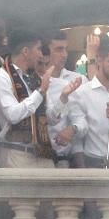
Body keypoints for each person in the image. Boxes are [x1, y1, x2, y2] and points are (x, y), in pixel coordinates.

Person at [0, 29, 55, 168]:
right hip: (17, 154)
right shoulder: (2, 78)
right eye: (38, 49)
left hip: (42, 153)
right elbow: (13, 115)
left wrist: (64, 97)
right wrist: (41, 91)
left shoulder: (33, 78)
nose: (41, 55)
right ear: (25, 51)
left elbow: (51, 118)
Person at [67, 37, 109, 168]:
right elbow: (78, 139)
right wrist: (82, 169)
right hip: (93, 161)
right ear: (99, 60)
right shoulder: (82, 93)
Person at [44, 32, 86, 167]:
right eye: (59, 49)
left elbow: (82, 121)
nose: (65, 54)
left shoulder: (77, 80)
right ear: (44, 52)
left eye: (65, 49)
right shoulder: (30, 80)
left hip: (64, 159)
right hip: (35, 158)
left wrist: (72, 129)